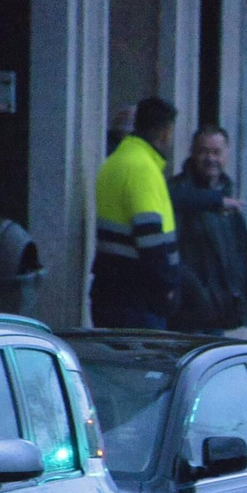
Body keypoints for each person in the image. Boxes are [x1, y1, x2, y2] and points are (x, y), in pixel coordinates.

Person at [91, 97, 181, 328]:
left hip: (110, 291)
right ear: (165, 132)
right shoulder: (142, 169)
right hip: (138, 300)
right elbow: (150, 239)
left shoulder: (114, 162)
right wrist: (168, 287)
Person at [168, 126, 247, 332]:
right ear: (192, 152)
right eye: (203, 151)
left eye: (216, 152)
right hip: (186, 312)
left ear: (226, 154)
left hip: (219, 311)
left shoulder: (228, 196)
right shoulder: (176, 192)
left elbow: (238, 258)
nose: (210, 158)